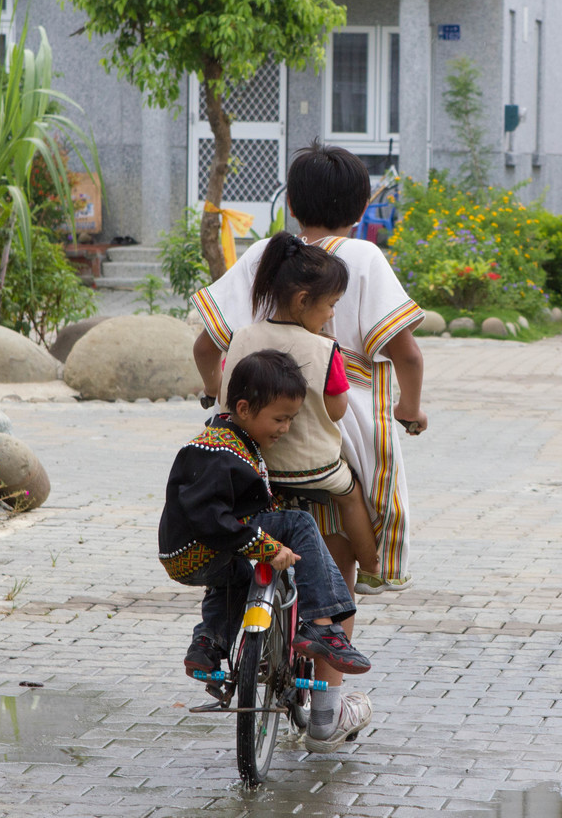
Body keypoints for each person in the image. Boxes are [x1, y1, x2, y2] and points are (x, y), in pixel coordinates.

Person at [192, 141, 427, 598]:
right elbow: (409, 356)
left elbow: (206, 347)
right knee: (341, 565)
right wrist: (409, 408)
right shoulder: (362, 257)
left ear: (293, 205)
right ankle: (370, 571)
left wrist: (214, 389)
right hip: (343, 425)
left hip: (259, 426)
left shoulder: (267, 253)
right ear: (361, 208)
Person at [158, 349, 373, 751]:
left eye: (291, 419)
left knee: (235, 579)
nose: (286, 428)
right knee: (300, 524)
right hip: (202, 545)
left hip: (197, 557)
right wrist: (259, 543)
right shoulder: (217, 449)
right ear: (242, 408)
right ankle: (323, 626)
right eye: (279, 419)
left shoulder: (230, 440)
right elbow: (208, 516)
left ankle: (208, 645)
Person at [219, 231, 380, 578]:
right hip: (312, 468)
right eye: (331, 305)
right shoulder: (324, 349)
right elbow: (336, 411)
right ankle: (371, 566)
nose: (332, 313)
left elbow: (224, 398)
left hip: (250, 465)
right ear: (304, 300)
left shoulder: (242, 337)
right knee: (351, 493)